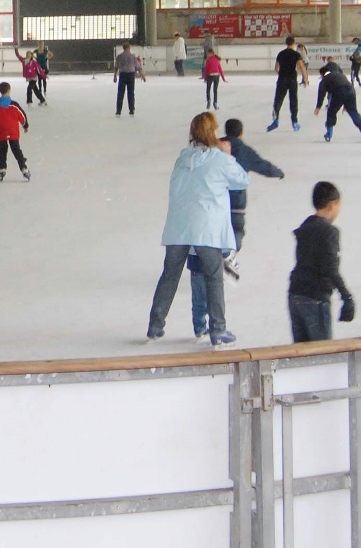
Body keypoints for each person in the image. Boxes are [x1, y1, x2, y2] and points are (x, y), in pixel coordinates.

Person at [148, 112, 247, 346]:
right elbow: (242, 180)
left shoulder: (182, 159)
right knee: (214, 278)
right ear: (212, 132)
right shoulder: (220, 159)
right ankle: (218, 329)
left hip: (179, 226)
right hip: (207, 228)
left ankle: (155, 325)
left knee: (169, 275)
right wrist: (228, 156)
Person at [288, 182, 356, 343]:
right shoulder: (329, 231)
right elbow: (330, 267)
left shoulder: (305, 227)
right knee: (323, 352)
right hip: (315, 297)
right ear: (333, 204)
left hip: (295, 294)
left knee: (301, 352)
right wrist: (347, 296)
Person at [221, 117, 282, 281]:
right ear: (241, 133)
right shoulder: (244, 150)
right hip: (236, 201)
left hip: (215, 199)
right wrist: (278, 172)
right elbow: (262, 165)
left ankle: (219, 257)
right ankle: (228, 256)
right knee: (237, 230)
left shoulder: (215, 147)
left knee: (217, 229)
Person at [0, 80, 31, 182]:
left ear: (0, 91)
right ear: (9, 90)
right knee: (17, 150)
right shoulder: (14, 105)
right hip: (13, 132)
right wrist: (25, 125)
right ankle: (24, 168)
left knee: (2, 151)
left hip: (2, 133)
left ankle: (2, 168)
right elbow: (22, 116)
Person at [313, 60, 361, 142]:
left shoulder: (325, 79)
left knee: (331, 112)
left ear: (322, 74)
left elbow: (321, 94)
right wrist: (345, 104)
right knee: (353, 112)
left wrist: (318, 107)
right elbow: (346, 85)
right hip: (351, 91)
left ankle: (329, 133)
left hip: (339, 92)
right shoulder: (339, 74)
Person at [266, 41, 307, 132]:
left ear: (286, 43)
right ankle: (294, 122)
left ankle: (275, 120)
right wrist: (306, 79)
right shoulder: (296, 54)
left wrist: (281, 74)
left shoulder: (280, 54)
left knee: (278, 100)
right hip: (292, 80)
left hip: (282, 80)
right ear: (293, 43)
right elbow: (302, 67)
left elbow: (276, 68)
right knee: (293, 100)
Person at [114, 42, 141, 115]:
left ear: (123, 48)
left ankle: (118, 111)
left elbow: (116, 67)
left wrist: (115, 76)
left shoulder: (119, 56)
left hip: (122, 75)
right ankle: (131, 110)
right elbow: (138, 67)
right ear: (129, 48)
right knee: (131, 93)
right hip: (131, 75)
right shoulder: (133, 57)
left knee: (120, 93)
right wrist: (142, 75)